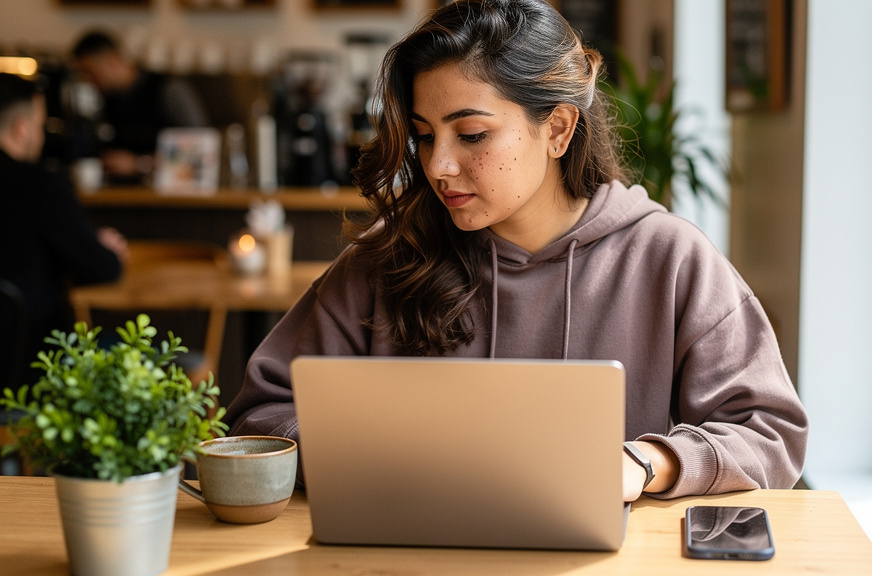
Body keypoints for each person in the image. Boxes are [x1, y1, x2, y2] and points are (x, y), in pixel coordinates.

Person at [224, 0, 808, 501]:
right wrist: (370, 455)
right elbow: (260, 416)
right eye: (425, 136)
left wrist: (647, 463)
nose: (437, 165)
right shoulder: (390, 257)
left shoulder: (670, 258)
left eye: (471, 135)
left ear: (557, 129)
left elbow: (769, 434)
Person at [0, 73, 128, 389]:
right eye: (40, 126)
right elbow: (103, 268)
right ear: (21, 128)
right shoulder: (39, 186)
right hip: (30, 375)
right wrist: (102, 247)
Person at [71, 30, 209, 183]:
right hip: (116, 192)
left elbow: (200, 150)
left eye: (90, 72)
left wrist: (139, 164)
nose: (88, 81)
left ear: (112, 60)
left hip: (167, 193)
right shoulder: (103, 100)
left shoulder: (168, 89)